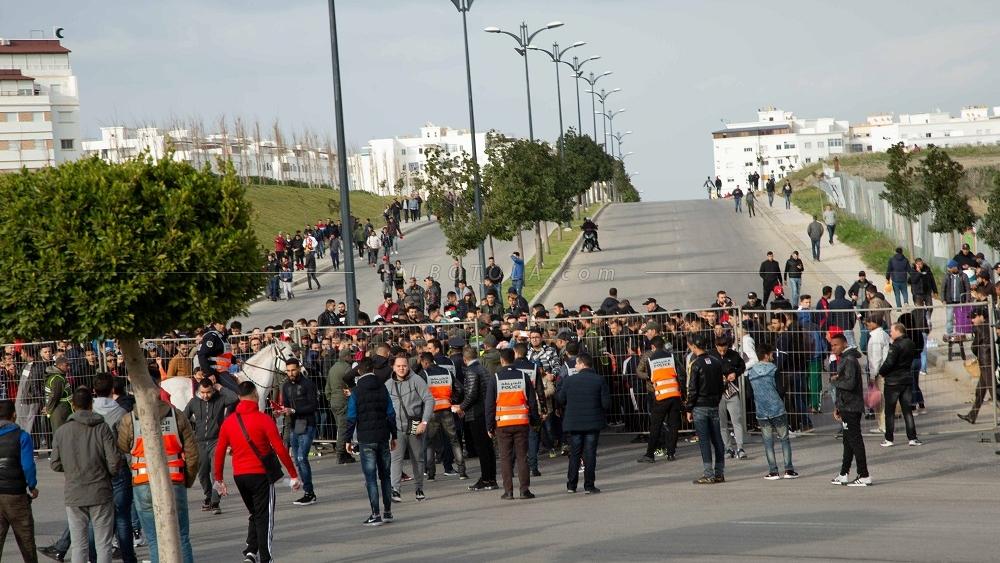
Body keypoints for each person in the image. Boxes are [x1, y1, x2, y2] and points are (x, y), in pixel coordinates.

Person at [214, 381, 300, 563]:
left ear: (238, 397)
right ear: (255, 395)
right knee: (264, 517)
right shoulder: (263, 419)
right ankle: (266, 558)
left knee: (255, 513)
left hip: (240, 475)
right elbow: (280, 449)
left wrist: (219, 479)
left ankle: (251, 551)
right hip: (261, 474)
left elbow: (220, 451)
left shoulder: (229, 422)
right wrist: (293, 474)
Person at [116, 396, 199, 563]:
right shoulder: (178, 416)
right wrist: (187, 480)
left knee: (154, 539)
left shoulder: (129, 419)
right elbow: (193, 455)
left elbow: (123, 447)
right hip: (174, 479)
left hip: (143, 481)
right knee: (181, 536)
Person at [52, 387, 121, 563]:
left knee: (78, 544)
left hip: (74, 492)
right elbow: (114, 461)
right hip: (100, 490)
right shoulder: (102, 428)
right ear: (92, 405)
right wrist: (107, 474)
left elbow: (55, 463)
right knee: (103, 544)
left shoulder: (62, 431)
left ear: (73, 406)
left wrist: (72, 469)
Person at [344, 357, 398, 526]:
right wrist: (394, 435)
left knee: (371, 478)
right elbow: (391, 413)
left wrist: (347, 439)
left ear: (359, 371)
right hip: (383, 436)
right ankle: (388, 511)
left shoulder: (357, 391)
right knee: (386, 476)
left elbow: (351, 417)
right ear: (373, 370)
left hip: (366, 439)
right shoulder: (382, 387)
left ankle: (375, 513)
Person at [486, 348, 539, 500]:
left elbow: (489, 405)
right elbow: (532, 402)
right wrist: (534, 420)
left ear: (502, 360)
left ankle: (508, 491)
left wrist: (489, 426)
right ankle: (524, 490)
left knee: (505, 458)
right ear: (514, 359)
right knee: (523, 457)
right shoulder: (523, 376)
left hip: (502, 424)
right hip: (521, 422)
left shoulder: (495, 378)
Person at [183, 377, 238, 514]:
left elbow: (234, 397)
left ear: (212, 390)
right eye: (202, 392)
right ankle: (208, 496)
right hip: (199, 442)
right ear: (199, 391)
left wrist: (221, 387)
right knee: (202, 473)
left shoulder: (220, 399)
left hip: (216, 441)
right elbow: (184, 418)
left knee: (215, 472)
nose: (205, 395)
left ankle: (215, 502)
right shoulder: (194, 402)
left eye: (208, 392)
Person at [557, 353, 609, 494]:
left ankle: (571, 485)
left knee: (575, 453)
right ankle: (589, 485)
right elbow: (606, 403)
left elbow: (560, 399)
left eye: (576, 364)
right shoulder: (599, 380)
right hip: (593, 422)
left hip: (574, 422)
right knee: (590, 453)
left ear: (582, 364)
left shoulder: (569, 381)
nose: (575, 366)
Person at [386, 354, 433, 503]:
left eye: (404, 366)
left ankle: (419, 488)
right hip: (396, 428)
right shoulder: (388, 385)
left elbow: (429, 399)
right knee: (395, 459)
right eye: (398, 366)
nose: (401, 368)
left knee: (417, 458)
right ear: (393, 367)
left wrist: (424, 422)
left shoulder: (417, 380)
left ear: (408, 366)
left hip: (414, 424)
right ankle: (395, 490)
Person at [746, 344, 797, 479]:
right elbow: (781, 390)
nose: (773, 356)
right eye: (772, 354)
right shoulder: (774, 370)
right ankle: (788, 469)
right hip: (777, 408)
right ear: (767, 355)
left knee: (768, 441)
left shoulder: (751, 372)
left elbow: (749, 393)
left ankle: (773, 470)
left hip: (762, 410)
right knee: (784, 439)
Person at [829, 333, 871, 486]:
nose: (833, 348)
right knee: (847, 441)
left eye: (836, 345)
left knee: (855, 440)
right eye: (832, 345)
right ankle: (843, 473)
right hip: (846, 405)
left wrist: (835, 381)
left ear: (844, 344)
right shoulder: (845, 359)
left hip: (851, 407)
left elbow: (850, 384)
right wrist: (838, 406)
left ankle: (864, 474)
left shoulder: (849, 360)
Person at [0, 399, 39, 562]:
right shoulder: (22, 436)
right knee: (26, 540)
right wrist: (32, 485)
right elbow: (28, 466)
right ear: (14, 415)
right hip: (15, 493)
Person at [418, 351, 467, 481]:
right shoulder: (447, 372)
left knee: (430, 443)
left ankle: (431, 474)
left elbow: (418, 393)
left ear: (425, 362)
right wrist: (453, 400)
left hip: (432, 411)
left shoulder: (424, 374)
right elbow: (460, 389)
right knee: (454, 440)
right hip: (447, 409)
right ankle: (462, 472)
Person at [277, 357, 319, 506]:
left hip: (308, 424)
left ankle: (309, 492)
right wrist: (282, 411)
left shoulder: (308, 384)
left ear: (299, 368)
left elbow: (313, 406)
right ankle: (307, 491)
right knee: (298, 459)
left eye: (293, 370)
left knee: (302, 458)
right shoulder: (286, 386)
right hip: (295, 425)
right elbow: (287, 406)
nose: (291, 373)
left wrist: (293, 410)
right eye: (288, 371)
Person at [455, 347, 498, 491]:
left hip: (476, 414)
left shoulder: (471, 371)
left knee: (482, 448)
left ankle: (486, 479)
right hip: (484, 412)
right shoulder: (482, 369)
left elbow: (471, 394)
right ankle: (490, 478)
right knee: (487, 447)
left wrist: (461, 407)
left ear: (464, 359)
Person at [685, 333, 726, 484]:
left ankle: (708, 474)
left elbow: (693, 389)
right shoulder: (715, 362)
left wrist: (689, 408)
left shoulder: (695, 364)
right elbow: (722, 385)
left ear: (694, 346)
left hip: (700, 406)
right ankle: (719, 472)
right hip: (714, 404)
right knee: (717, 439)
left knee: (704, 440)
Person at [635, 336, 682, 463]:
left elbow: (651, 376)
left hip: (661, 395)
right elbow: (680, 374)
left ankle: (650, 454)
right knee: (673, 425)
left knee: (656, 425)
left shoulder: (651, 360)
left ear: (653, 347)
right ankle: (671, 453)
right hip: (674, 394)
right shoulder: (671, 357)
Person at [877, 323, 921, 447]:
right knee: (907, 411)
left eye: (891, 331)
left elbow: (889, 362)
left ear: (898, 331)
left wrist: (881, 372)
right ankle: (912, 438)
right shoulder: (910, 343)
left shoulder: (895, 346)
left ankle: (889, 439)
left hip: (893, 382)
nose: (890, 333)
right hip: (906, 380)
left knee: (890, 412)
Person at [712, 333, 747, 460]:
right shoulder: (711, 355)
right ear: (716, 346)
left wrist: (735, 373)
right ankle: (727, 448)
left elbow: (742, 366)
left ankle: (740, 447)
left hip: (731, 392)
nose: (722, 352)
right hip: (717, 393)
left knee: (736, 419)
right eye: (720, 350)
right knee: (722, 423)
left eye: (725, 349)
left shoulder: (733, 355)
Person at [959, 309, 997, 424]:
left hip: (986, 363)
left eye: (974, 317)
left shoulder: (980, 328)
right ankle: (972, 415)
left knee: (993, 392)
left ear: (981, 316)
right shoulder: (991, 324)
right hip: (989, 361)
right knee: (980, 390)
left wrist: (976, 353)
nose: (972, 320)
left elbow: (974, 346)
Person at [43, 355, 72, 433]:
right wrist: (48, 410)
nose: (69, 367)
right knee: (60, 434)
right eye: (67, 365)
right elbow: (55, 396)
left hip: (59, 409)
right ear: (60, 365)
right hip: (59, 411)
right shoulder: (57, 379)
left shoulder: (58, 377)